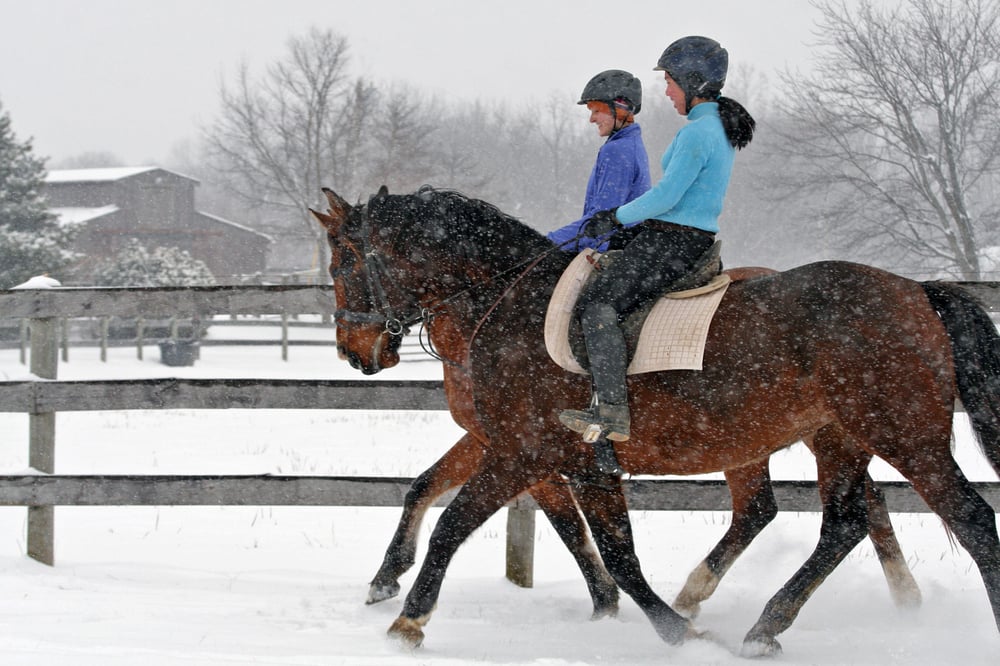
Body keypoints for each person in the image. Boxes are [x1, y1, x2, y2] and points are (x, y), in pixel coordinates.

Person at [559, 36, 756, 445]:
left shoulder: (698, 133)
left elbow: (667, 196)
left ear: (692, 80)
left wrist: (616, 216)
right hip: (682, 236)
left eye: (669, 81)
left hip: (674, 241)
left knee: (597, 306)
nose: (666, 91)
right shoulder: (713, 126)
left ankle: (612, 411)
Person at [547, 69, 650, 253]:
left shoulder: (617, 150)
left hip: (614, 248)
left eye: (597, 110)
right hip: (628, 245)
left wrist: (548, 243)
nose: (591, 119)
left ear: (620, 109)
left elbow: (601, 222)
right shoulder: (631, 144)